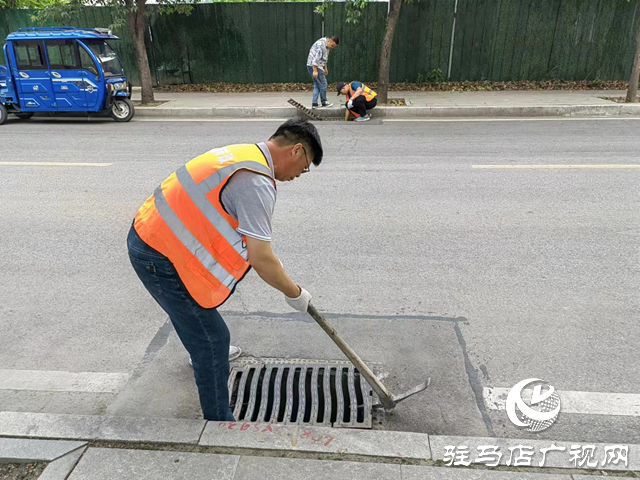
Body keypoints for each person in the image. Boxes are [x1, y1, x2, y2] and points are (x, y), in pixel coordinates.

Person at [127, 119, 323, 421]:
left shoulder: (245, 155)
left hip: (152, 234)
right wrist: (294, 293)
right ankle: (218, 422)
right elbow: (260, 259)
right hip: (158, 254)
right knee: (213, 338)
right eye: (305, 167)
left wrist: (272, 261)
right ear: (296, 150)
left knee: (190, 318)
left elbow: (248, 237)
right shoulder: (255, 181)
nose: (299, 175)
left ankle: (201, 354)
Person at [307, 36, 339, 109]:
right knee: (323, 84)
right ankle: (324, 102)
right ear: (329, 41)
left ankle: (314, 103)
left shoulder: (326, 46)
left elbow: (324, 58)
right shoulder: (320, 46)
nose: (332, 48)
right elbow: (315, 59)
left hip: (315, 66)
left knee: (317, 84)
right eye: (332, 46)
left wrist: (325, 68)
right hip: (315, 66)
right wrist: (315, 71)